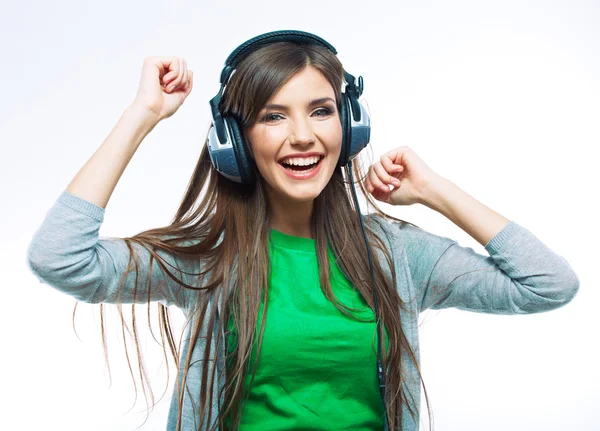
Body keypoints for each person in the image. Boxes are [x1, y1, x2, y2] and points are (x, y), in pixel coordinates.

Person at [26, 30, 580, 431]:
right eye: (272, 116)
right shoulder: (208, 258)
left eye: (320, 111)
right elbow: (59, 258)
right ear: (234, 141)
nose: (302, 137)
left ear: (351, 125)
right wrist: (143, 113)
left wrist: (435, 190)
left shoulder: (395, 254)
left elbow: (548, 285)